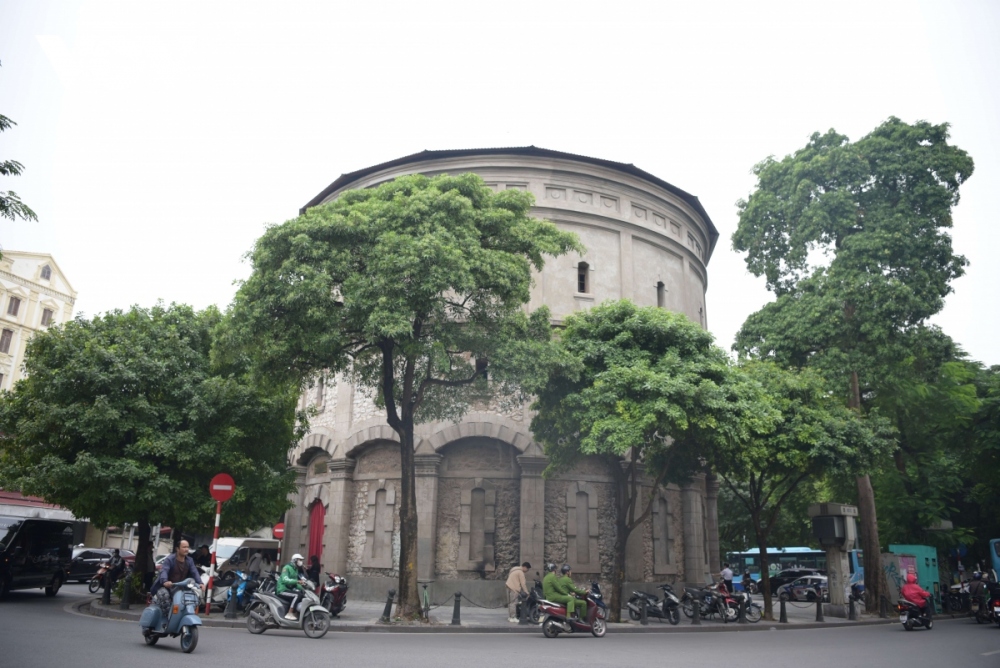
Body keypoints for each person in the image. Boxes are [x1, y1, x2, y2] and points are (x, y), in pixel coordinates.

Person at [276, 553, 308, 620]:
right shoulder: (286, 568)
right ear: (295, 560)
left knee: (301, 594)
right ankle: (289, 613)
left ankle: (295, 613)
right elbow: (285, 580)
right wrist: (297, 581)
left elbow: (295, 583)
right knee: (297, 595)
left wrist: (303, 589)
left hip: (288, 589)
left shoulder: (295, 569)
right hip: (282, 589)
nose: (301, 561)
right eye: (300, 560)